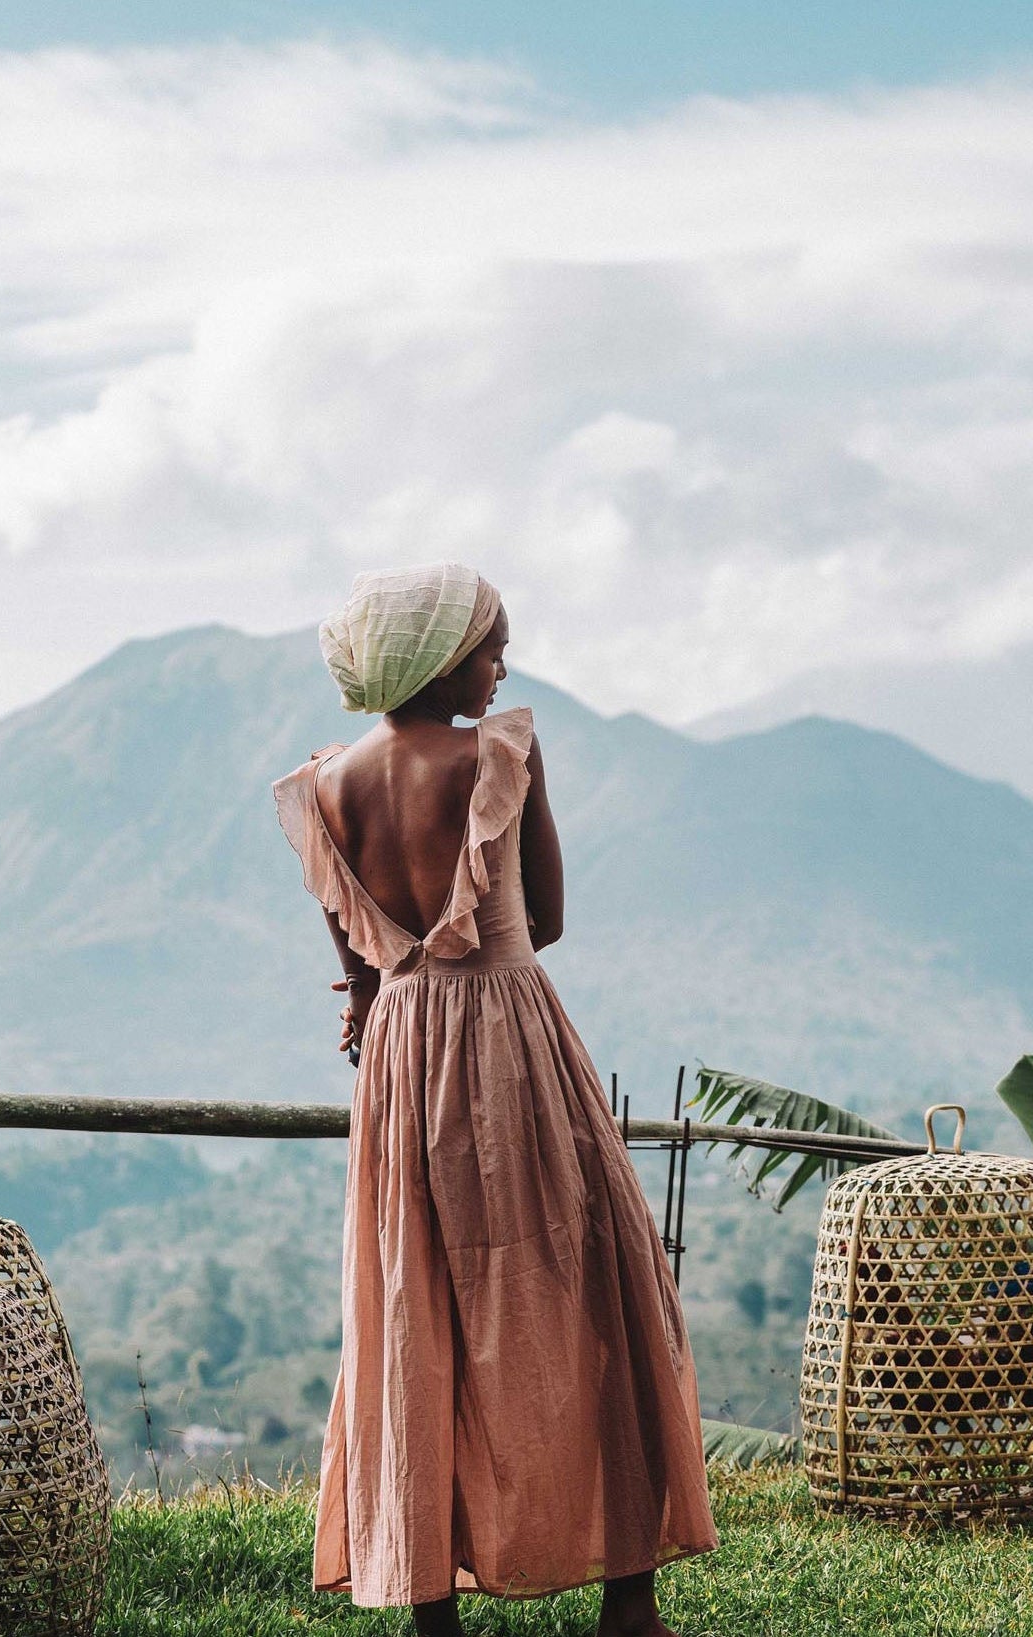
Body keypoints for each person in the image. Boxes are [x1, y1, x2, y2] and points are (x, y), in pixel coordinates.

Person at [273, 563, 717, 1637]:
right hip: (509, 1040)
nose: (502, 663)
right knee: (596, 1282)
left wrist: (379, 996)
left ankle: (431, 1611)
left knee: (414, 1300)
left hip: (402, 1060)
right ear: (438, 660)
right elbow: (546, 916)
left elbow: (367, 967)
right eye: (489, 645)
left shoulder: (324, 788)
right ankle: (630, 1602)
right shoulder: (497, 753)